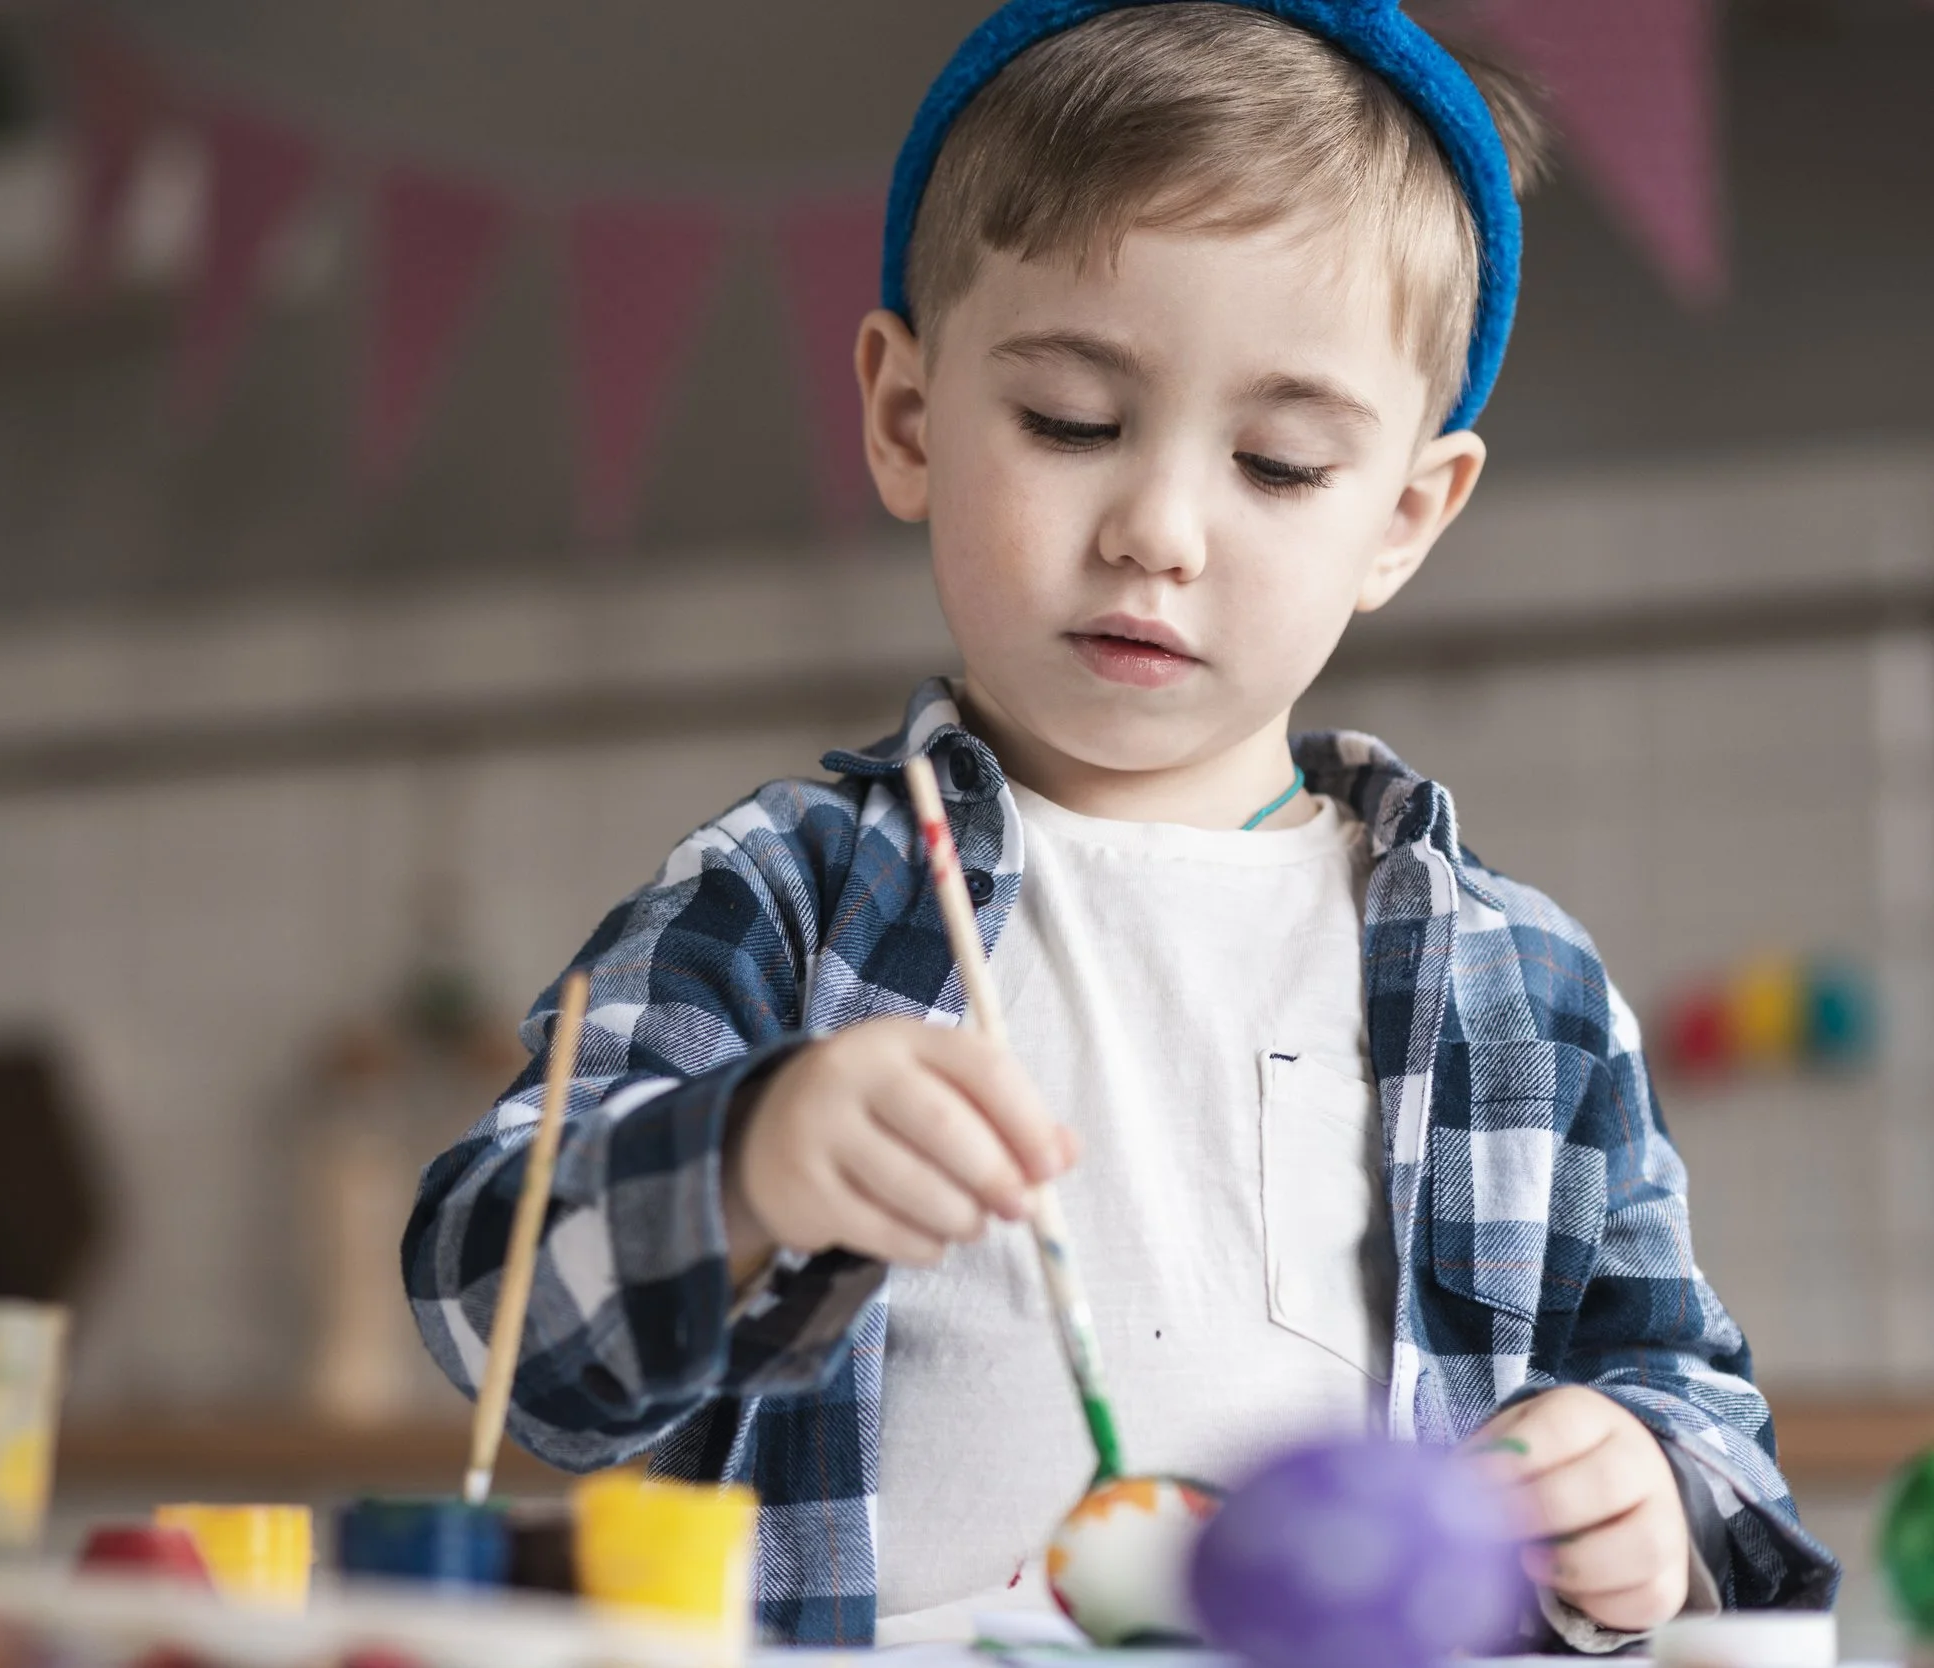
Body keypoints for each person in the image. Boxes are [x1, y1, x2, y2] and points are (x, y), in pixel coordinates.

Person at [402, 0, 1839, 1648]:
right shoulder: (793, 896)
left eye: (1282, 464)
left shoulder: (1521, 982)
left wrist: (1645, 1484)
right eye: (1074, 423)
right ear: (908, 418)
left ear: (1407, 517)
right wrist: (742, 1168)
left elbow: (1704, 1419)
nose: (1158, 529)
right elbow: (489, 1310)